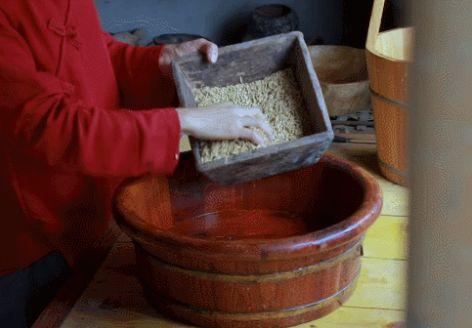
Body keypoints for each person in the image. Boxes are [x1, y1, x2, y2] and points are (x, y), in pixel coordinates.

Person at [0, 1, 272, 326]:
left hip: (92, 203)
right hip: (34, 242)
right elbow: (48, 126)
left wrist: (158, 60)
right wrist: (180, 122)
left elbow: (87, 50)